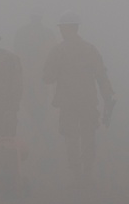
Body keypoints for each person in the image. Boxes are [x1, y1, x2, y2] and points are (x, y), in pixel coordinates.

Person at [42, 11, 116, 188]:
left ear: (65, 29)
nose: (60, 31)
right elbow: (101, 76)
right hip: (87, 100)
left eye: (61, 28)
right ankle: (88, 174)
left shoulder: (57, 51)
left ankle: (76, 175)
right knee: (88, 136)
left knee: (71, 137)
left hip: (67, 102)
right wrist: (107, 96)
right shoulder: (90, 49)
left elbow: (47, 78)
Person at [12, 12, 57, 140]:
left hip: (34, 75)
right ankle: (38, 128)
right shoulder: (47, 33)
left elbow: (16, 53)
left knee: (33, 101)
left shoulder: (22, 32)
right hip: (38, 75)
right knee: (37, 101)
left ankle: (37, 128)